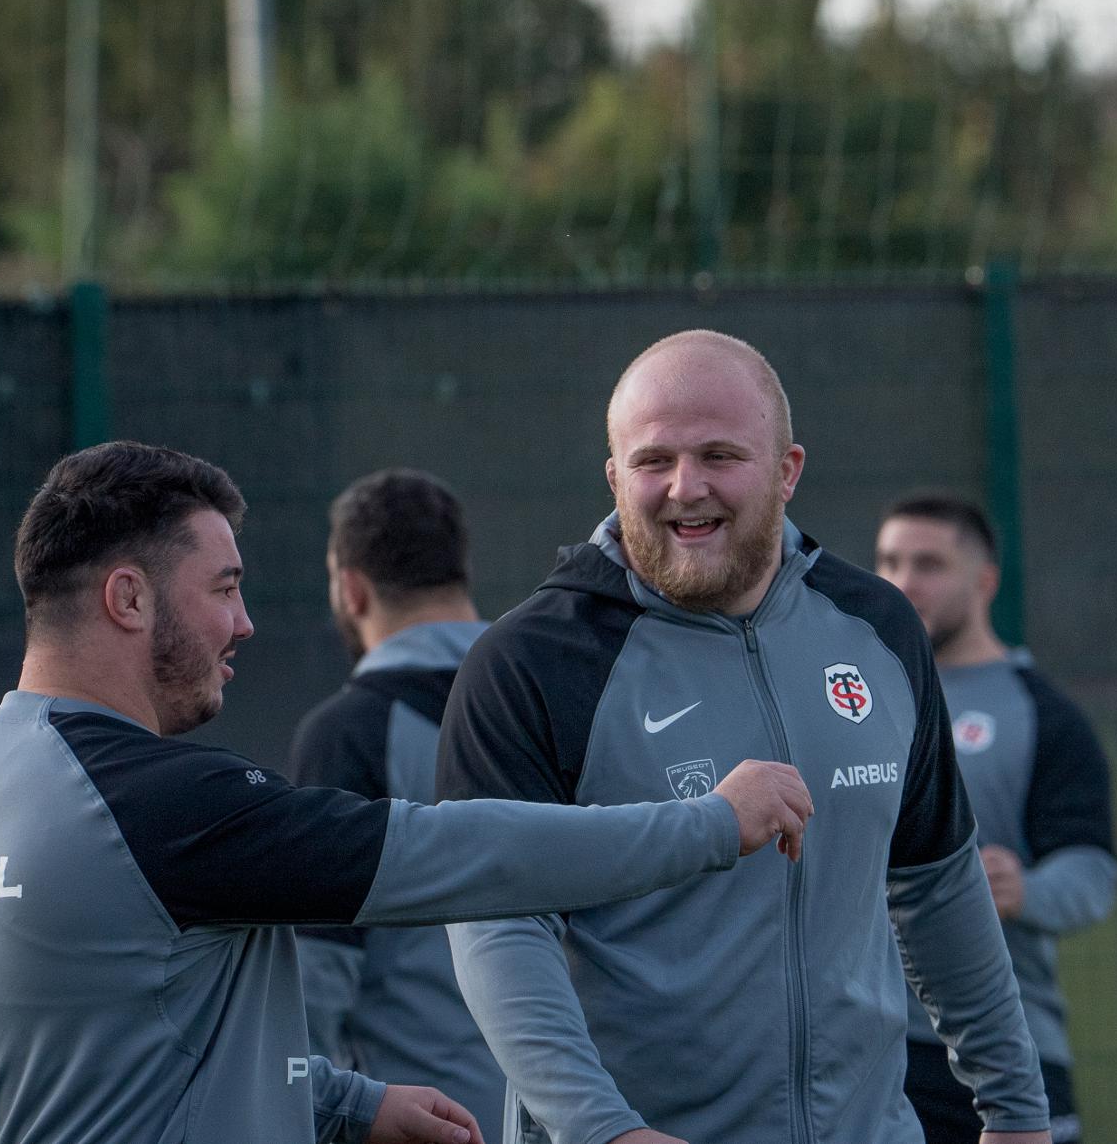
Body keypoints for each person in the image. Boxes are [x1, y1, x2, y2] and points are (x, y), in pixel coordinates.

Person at [0, 440, 813, 1144]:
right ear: (128, 599)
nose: (243, 622)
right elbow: (455, 852)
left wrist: (349, 1104)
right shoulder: (150, 805)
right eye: (223, 588)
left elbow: (126, 1050)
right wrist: (707, 823)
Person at [436, 329, 1053, 1144]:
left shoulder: (877, 628)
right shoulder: (531, 663)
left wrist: (1014, 1110)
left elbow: (937, 879)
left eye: (720, 455)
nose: (684, 488)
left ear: (788, 470)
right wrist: (603, 1131)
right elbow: (498, 931)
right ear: (615, 477)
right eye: (653, 461)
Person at [875, 494, 1117, 1144]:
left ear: (983, 581)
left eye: (927, 564)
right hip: (870, 1046)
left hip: (1003, 1045)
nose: (903, 582)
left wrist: (1025, 890)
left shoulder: (1043, 715)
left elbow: (1092, 874)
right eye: (889, 561)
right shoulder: (854, 700)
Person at [289, 468, 506, 1123]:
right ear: (459, 572)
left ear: (350, 589)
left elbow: (317, 973)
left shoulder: (346, 735)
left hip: (425, 1121)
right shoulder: (556, 698)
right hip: (587, 1115)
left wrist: (302, 1116)